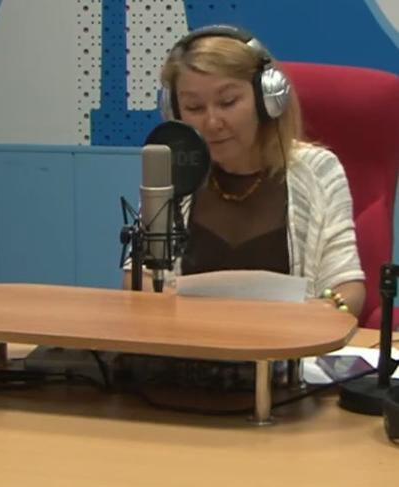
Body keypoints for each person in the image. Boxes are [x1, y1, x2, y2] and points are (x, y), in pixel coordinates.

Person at [119, 26, 365, 395]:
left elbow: (348, 287)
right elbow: (136, 280)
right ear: (175, 111)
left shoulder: (318, 172)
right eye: (194, 108)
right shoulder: (176, 173)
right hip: (187, 372)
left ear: (267, 99)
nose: (212, 122)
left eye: (228, 102)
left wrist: (320, 315)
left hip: (284, 379)